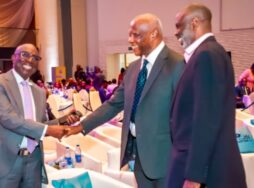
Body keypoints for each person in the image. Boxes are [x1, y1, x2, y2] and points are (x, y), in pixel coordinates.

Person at [65, 13, 185, 187]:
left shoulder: (177, 64)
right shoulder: (134, 68)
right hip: (139, 159)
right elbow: (113, 104)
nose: (130, 39)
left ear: (153, 34)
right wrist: (80, 126)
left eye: (136, 34)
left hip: (167, 162)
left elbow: (187, 118)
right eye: (130, 34)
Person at [166, 4, 247, 188]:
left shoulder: (206, 55)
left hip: (208, 173)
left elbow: (206, 119)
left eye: (179, 26)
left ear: (195, 23)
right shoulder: (208, 53)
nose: (176, 33)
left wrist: (194, 176)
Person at [0, 43, 78, 188]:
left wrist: (63, 121)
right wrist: (48, 130)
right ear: (13, 57)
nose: (29, 60)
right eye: (24, 55)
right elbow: (9, 119)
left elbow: (39, 125)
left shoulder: (39, 92)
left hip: (33, 161)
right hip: (4, 160)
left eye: (35, 57)